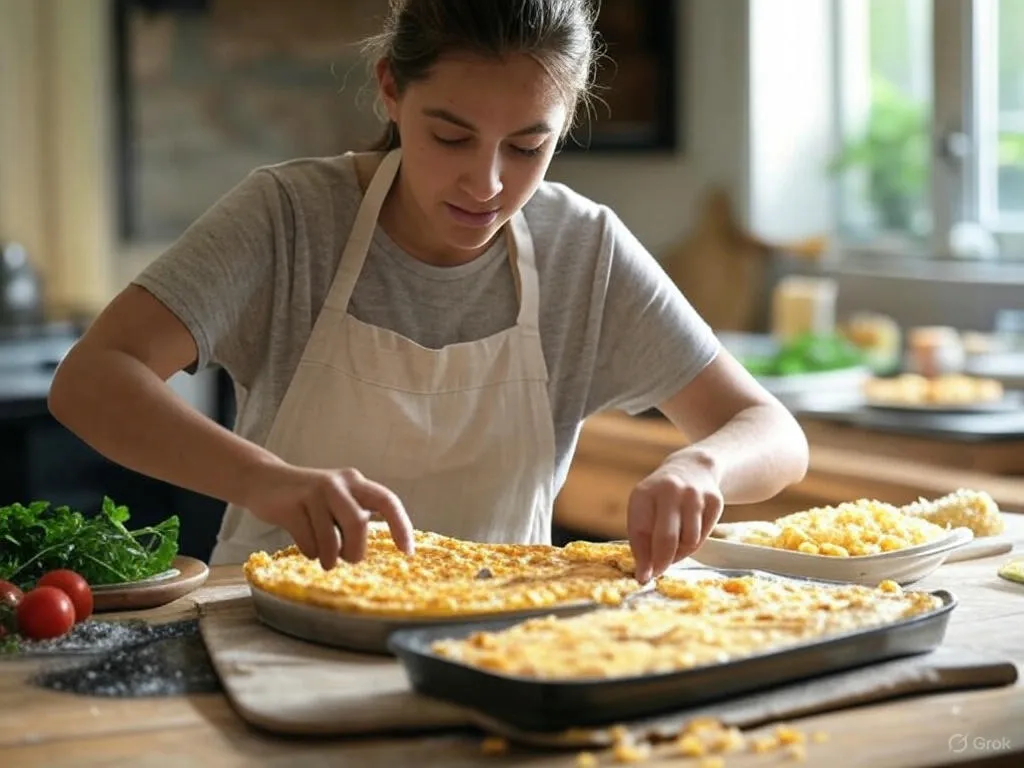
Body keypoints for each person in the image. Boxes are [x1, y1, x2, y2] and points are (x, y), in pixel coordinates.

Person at [47, 0, 809, 583]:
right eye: (451, 136)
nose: (487, 183)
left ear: (567, 118)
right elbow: (90, 383)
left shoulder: (586, 251)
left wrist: (703, 467)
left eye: (528, 146)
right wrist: (265, 482)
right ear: (390, 89)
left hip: (499, 648)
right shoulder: (289, 219)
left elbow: (771, 431)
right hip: (273, 632)